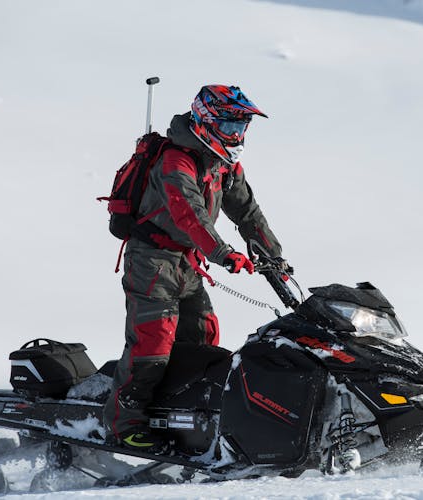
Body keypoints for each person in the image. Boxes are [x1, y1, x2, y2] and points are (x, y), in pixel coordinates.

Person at [103, 85, 287, 453]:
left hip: (187, 262)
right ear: (205, 121)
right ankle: (123, 424)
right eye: (229, 126)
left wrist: (274, 257)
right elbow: (188, 215)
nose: (236, 135)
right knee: (152, 345)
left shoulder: (224, 164)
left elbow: (248, 213)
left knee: (202, 337)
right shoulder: (176, 161)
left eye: (241, 128)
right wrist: (223, 253)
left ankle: (179, 415)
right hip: (152, 261)